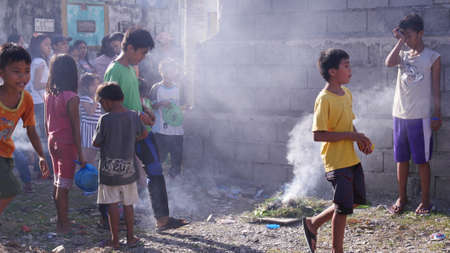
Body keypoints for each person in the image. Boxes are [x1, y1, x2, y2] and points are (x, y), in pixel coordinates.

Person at [104, 28, 188, 231]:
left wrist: (146, 110)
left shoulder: (131, 70)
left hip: (140, 130)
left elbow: (134, 98)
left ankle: (162, 219)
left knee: (155, 170)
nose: (142, 58)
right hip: (123, 132)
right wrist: (137, 114)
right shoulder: (115, 70)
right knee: (118, 176)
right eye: (141, 53)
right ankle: (109, 221)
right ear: (130, 48)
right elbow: (109, 104)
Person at [302, 49, 372, 253]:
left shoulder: (346, 94)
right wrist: (352, 136)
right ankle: (337, 250)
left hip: (350, 157)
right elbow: (318, 134)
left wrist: (359, 139)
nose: (350, 70)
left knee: (355, 201)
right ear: (332, 71)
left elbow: (349, 123)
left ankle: (313, 223)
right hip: (336, 161)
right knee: (342, 209)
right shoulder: (324, 99)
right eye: (346, 65)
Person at [385, 14, 441, 215]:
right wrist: (400, 42)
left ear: (421, 33)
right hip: (400, 114)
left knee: (422, 160)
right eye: (404, 35)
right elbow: (388, 62)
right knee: (401, 159)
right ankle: (402, 197)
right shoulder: (403, 55)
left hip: (421, 117)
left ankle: (425, 200)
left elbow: (436, 88)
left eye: (409, 35)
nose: (407, 39)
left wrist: (437, 114)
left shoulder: (432, 57)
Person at [93, 82, 147, 249]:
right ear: (121, 98)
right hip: (128, 171)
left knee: (112, 205)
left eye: (101, 103)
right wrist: (131, 140)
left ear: (107, 101)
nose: (102, 107)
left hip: (109, 173)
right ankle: (131, 238)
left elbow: (96, 142)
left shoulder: (105, 119)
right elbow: (144, 133)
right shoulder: (132, 116)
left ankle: (115, 240)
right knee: (128, 205)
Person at [0, 43, 50, 216]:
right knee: (11, 187)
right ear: (2, 72)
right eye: (16, 71)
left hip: (5, 152)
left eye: (27, 71)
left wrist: (41, 156)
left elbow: (31, 130)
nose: (23, 77)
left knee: (12, 188)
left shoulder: (26, 99)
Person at [45, 54, 86, 233]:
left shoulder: (49, 93)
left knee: (57, 181)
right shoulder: (71, 96)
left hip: (52, 140)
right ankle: (64, 224)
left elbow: (46, 122)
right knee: (64, 185)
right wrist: (82, 154)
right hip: (67, 143)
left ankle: (61, 220)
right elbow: (75, 128)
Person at [150, 58, 185, 178]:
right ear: (161, 72)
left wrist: (182, 110)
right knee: (159, 157)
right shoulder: (156, 88)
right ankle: (156, 180)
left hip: (177, 130)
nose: (170, 74)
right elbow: (151, 105)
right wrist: (161, 103)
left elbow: (184, 106)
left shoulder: (179, 88)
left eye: (172, 71)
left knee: (176, 158)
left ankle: (175, 183)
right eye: (167, 71)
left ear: (176, 72)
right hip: (161, 129)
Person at [79, 73, 102, 165]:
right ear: (86, 87)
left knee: (93, 154)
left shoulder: (94, 99)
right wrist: (97, 99)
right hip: (87, 128)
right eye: (93, 85)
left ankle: (89, 174)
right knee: (86, 154)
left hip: (95, 128)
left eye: (97, 84)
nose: (96, 87)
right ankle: (83, 174)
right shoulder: (84, 98)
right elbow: (90, 112)